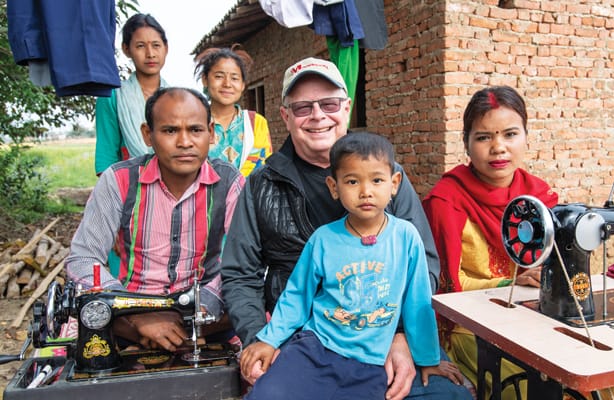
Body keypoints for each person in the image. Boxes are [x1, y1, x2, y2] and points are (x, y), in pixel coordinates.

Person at [220, 57, 467, 399]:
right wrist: (263, 338)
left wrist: (401, 337)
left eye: (329, 103)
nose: (318, 115)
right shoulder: (263, 185)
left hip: (389, 329)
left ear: (346, 107)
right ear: (285, 116)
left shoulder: (387, 175)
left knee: (447, 395)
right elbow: (240, 275)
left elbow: (422, 265)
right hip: (307, 339)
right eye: (303, 107)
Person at [422, 85, 614, 400]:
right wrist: (509, 281)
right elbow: (445, 288)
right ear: (467, 145)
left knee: (608, 377)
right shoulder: (445, 201)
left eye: (510, 134)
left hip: (536, 318)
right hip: (474, 327)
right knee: (538, 389)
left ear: (526, 138)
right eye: (484, 137)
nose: (498, 147)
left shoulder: (540, 197)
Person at [66, 87, 245, 351]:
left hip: (205, 316)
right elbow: (83, 257)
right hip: (131, 318)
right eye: (170, 131)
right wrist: (134, 313)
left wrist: (195, 311)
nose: (185, 142)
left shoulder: (229, 182)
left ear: (211, 133)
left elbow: (245, 258)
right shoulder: (119, 181)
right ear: (147, 135)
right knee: (91, 318)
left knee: (249, 301)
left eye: (195, 130)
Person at [94, 13, 169, 175]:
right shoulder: (112, 97)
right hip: (128, 188)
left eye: (156, 45)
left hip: (175, 187)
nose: (150, 54)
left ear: (166, 48)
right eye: (140, 46)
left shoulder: (176, 98)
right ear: (126, 49)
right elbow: (106, 157)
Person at [194, 45, 272, 177]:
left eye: (234, 78)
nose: (227, 84)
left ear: (242, 85)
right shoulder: (193, 122)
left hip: (248, 196)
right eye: (219, 76)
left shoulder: (255, 123)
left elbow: (262, 166)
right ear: (205, 80)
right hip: (202, 196)